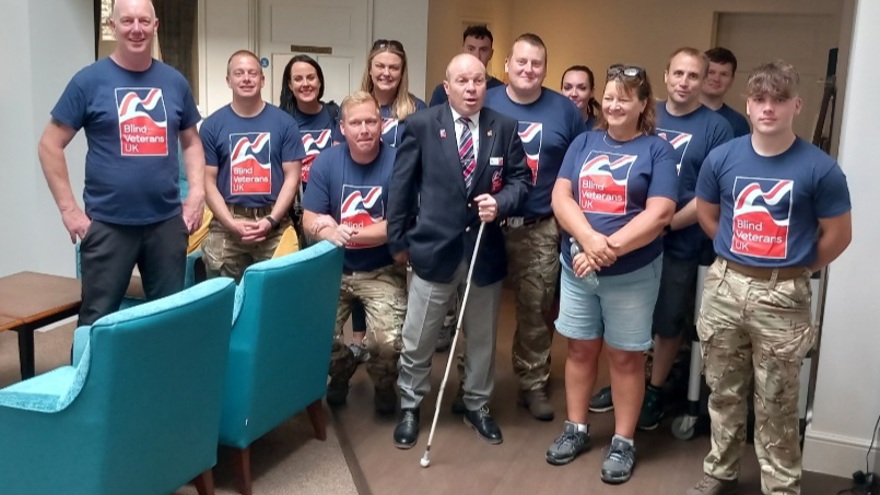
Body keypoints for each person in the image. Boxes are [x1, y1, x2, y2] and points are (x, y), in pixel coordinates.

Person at [687, 61, 851, 495]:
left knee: (777, 399)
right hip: (724, 287)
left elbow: (838, 234)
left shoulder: (820, 168)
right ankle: (720, 470)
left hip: (784, 295)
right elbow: (707, 215)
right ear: (748, 103)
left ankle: (780, 486)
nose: (768, 109)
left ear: (796, 105)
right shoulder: (723, 157)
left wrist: (796, 266)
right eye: (760, 99)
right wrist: (738, 257)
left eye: (779, 100)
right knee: (722, 390)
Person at [387, 53, 530, 449]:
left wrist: (501, 202)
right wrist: (398, 241)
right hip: (433, 250)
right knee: (418, 337)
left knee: (482, 337)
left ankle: (476, 405)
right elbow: (399, 189)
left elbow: (521, 180)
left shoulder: (504, 127)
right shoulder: (419, 125)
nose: (471, 89)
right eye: (462, 82)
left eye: (479, 81)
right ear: (447, 87)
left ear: (488, 85)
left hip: (483, 250)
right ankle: (411, 406)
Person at [544, 64, 677, 484]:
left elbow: (660, 213)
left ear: (643, 105)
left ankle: (623, 441)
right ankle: (576, 428)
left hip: (633, 274)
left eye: (627, 98)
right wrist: (587, 240)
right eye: (612, 97)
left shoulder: (658, 151)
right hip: (578, 265)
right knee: (580, 350)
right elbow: (560, 196)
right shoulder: (584, 142)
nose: (617, 104)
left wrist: (606, 249)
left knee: (625, 356)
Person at [588, 48, 734, 427]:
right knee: (627, 320)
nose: (685, 82)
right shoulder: (647, 114)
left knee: (668, 320)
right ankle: (624, 384)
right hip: (629, 239)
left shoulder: (716, 127)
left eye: (693, 76)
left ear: (703, 81)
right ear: (666, 76)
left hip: (679, 239)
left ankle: (653, 390)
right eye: (678, 74)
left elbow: (710, 192)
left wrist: (664, 223)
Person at [38, 0, 205, 326]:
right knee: (97, 320)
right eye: (127, 21)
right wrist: (69, 210)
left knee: (169, 318)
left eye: (144, 21)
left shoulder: (174, 82)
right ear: (112, 27)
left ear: (156, 26)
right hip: (108, 225)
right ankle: (91, 379)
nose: (136, 29)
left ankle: (159, 379)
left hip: (166, 224)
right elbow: (49, 145)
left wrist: (196, 195)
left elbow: (192, 142)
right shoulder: (88, 81)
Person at [483, 33, 586, 421]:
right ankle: (474, 385)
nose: (528, 70)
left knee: (535, 309)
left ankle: (532, 383)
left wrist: (568, 221)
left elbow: (579, 167)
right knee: (478, 308)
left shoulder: (565, 111)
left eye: (537, 64)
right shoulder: (485, 101)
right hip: (485, 224)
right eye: (521, 62)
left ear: (546, 68)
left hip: (539, 226)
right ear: (507, 64)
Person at [302, 90, 406, 415]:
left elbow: (397, 226)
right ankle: (342, 370)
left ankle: (384, 383)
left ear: (382, 124)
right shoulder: (326, 162)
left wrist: (346, 232)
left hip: (382, 270)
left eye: (371, 121)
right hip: (334, 269)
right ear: (342, 127)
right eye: (356, 122)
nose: (364, 129)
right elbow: (310, 218)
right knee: (314, 335)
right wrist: (326, 230)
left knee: (387, 344)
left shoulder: (400, 162)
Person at [279, 54, 369, 363]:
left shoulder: (334, 115)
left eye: (311, 77)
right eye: (298, 79)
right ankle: (314, 342)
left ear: (320, 80)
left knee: (352, 266)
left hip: (340, 204)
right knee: (311, 276)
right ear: (289, 85)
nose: (306, 84)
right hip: (299, 211)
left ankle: (358, 339)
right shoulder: (283, 120)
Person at [199, 50, 304, 282]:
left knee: (278, 298)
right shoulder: (211, 126)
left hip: (274, 223)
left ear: (262, 79)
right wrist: (230, 222)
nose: (246, 78)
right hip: (227, 224)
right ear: (228, 80)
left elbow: (292, 178)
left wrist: (271, 220)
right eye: (239, 73)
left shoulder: (285, 124)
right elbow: (207, 181)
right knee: (224, 300)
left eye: (252, 73)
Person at [360, 39, 427, 148]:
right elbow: (341, 153)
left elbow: (425, 154)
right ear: (370, 70)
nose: (386, 73)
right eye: (380, 66)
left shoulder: (418, 109)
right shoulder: (352, 107)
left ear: (401, 73)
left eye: (394, 68)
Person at [429, 25, 504, 106]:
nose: (477, 55)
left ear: (491, 54)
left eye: (483, 50)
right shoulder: (443, 91)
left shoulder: (501, 90)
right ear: (462, 50)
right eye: (471, 49)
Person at [701, 47, 751, 137]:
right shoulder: (682, 112)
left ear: (732, 80)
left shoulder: (738, 123)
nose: (716, 79)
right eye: (711, 72)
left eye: (724, 74)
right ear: (700, 74)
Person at [561, 65, 601, 129]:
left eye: (582, 88)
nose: (574, 94)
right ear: (561, 92)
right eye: (567, 88)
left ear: (592, 92)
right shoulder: (552, 124)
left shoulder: (600, 128)